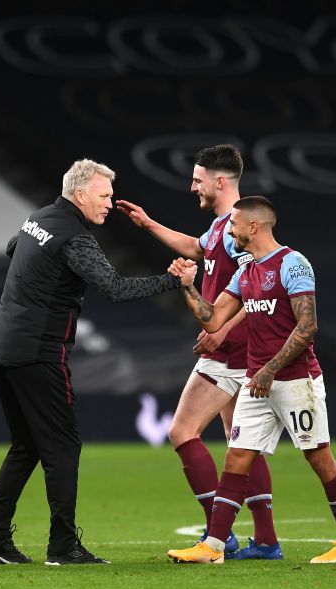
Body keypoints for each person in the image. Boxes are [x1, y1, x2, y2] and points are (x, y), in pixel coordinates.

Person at [0, 159, 182, 566]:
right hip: (38, 351)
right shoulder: (74, 236)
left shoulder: (39, 218)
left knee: (26, 447)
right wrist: (173, 280)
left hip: (3, 347)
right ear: (81, 193)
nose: (109, 203)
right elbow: (116, 288)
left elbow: (17, 247)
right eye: (104, 196)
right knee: (63, 447)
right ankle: (62, 547)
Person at [168, 196, 336, 565]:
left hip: (295, 381)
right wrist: (187, 286)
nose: (230, 230)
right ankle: (213, 546)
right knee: (237, 459)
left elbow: (308, 327)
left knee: (320, 460)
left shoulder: (293, 264)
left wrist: (270, 368)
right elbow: (213, 319)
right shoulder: (246, 272)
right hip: (258, 382)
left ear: (253, 227)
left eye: (235, 224)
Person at [116, 145, 281, 561]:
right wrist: (149, 224)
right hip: (236, 349)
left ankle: (218, 533)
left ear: (219, 181)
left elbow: (260, 286)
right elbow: (197, 247)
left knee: (182, 431)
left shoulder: (238, 228)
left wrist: (222, 328)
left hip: (230, 351)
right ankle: (264, 540)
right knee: (240, 442)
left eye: (197, 179)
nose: (192, 187)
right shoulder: (225, 227)